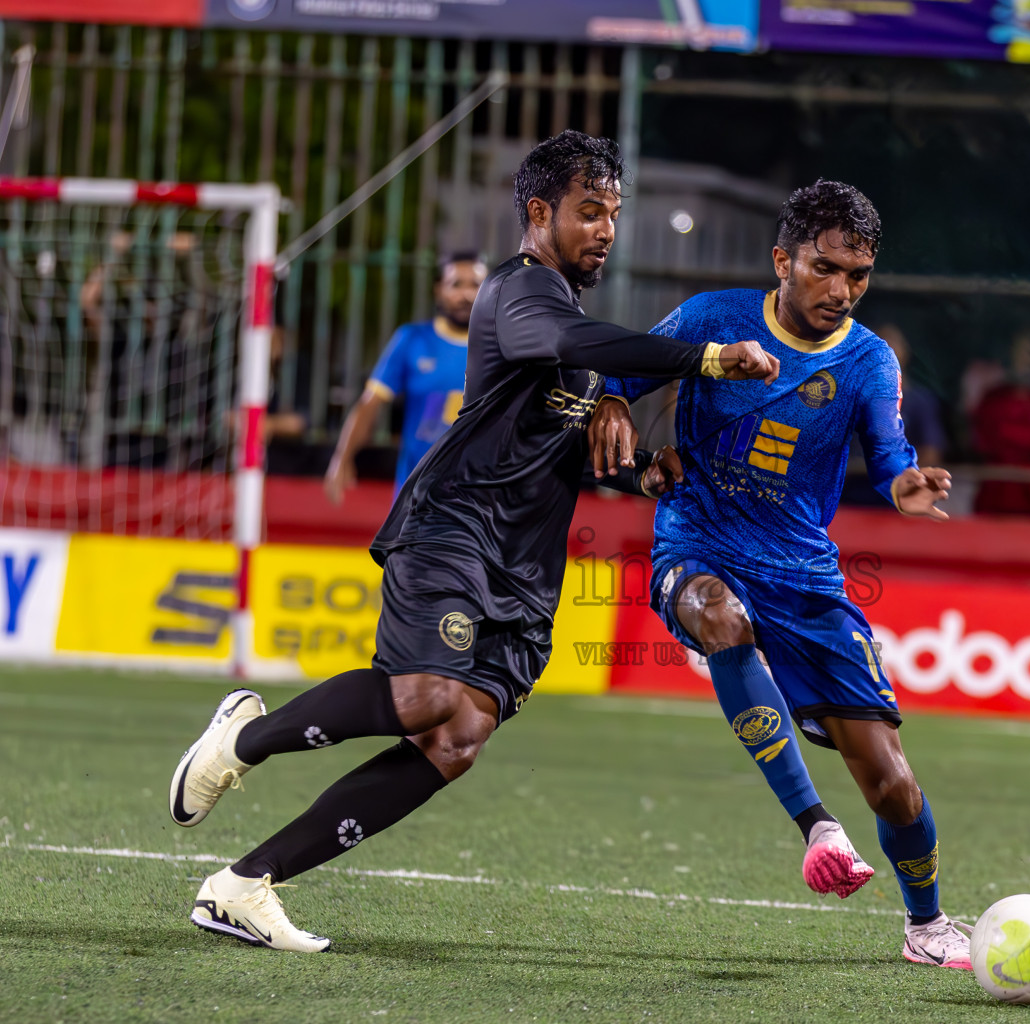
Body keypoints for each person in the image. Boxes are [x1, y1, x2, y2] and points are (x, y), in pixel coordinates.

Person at [167, 130, 779, 952]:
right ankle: (241, 738)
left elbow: (564, 439)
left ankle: (245, 885)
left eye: (614, 215)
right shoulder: (520, 292)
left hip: (527, 568)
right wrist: (704, 357)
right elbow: (568, 344)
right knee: (423, 694)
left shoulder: (572, 325)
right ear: (538, 213)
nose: (605, 229)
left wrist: (641, 475)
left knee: (456, 739)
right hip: (455, 528)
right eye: (588, 211)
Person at [606, 180, 971, 970]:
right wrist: (614, 413)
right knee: (719, 618)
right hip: (698, 543)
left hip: (804, 576)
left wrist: (905, 488)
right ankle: (816, 825)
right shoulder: (712, 319)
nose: (840, 290)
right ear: (783, 259)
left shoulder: (870, 359)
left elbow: (892, 457)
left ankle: (927, 925)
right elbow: (619, 374)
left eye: (859, 275)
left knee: (895, 785)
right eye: (824, 268)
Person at [325, 251, 489, 503]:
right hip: (416, 494)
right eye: (456, 284)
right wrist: (342, 458)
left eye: (475, 285)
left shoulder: (501, 347)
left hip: (480, 496)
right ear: (438, 290)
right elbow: (370, 403)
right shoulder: (412, 340)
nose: (465, 295)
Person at [970, 328, 1030, 517]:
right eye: (1021, 352)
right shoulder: (994, 397)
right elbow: (983, 440)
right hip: (996, 487)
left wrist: (1010, 435)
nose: (1026, 360)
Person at [878, 323, 947, 467]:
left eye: (893, 348)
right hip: (853, 487)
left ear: (905, 353)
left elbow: (931, 453)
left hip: (901, 485)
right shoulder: (852, 401)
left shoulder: (921, 402)